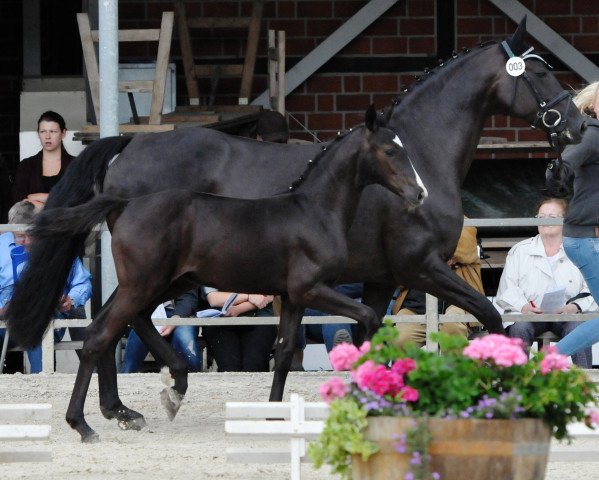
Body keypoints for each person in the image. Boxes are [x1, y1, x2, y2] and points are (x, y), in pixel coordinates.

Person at [495, 198, 597, 368]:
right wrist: (524, 307)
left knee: (578, 329)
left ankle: (585, 386)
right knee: (519, 329)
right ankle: (516, 386)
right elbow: (508, 288)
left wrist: (575, 307)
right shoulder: (520, 250)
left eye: (551, 216)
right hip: (530, 313)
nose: (545, 221)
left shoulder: (579, 249)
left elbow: (592, 288)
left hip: (568, 314)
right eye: (541, 216)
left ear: (565, 220)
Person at [539, 82, 599, 362]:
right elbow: (565, 166)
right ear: (594, 106)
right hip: (588, 239)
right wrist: (557, 173)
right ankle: (551, 359)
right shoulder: (592, 136)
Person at [0, 200, 92, 373]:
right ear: (11, 228)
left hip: (45, 322)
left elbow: (83, 282)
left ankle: (43, 386)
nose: (26, 242)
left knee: (38, 329)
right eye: (20, 235)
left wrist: (70, 299)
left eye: (32, 234)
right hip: (6, 324)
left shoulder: (58, 245)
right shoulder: (0, 246)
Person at [392, 222, 484, 348]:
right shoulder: (411, 217)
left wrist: (427, 257)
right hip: (416, 304)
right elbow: (402, 252)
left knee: (452, 326)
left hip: (459, 302)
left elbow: (465, 246)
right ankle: (412, 368)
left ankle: (454, 368)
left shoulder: (462, 220)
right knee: (401, 338)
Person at [121, 289, 205, 373]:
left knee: (184, 339)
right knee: (138, 334)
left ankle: (195, 379)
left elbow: (189, 298)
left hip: (181, 314)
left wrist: (174, 320)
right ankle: (125, 378)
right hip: (148, 314)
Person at [201, 287, 277, 372]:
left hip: (259, 319)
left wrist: (239, 309)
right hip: (221, 321)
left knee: (254, 367)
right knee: (229, 369)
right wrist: (248, 296)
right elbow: (214, 299)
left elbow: (268, 297)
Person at [13, 111, 75, 208]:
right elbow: (19, 201)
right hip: (31, 222)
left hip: (68, 222)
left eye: (53, 131)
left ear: (63, 133)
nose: (47, 136)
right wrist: (58, 201)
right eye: (43, 131)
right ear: (38, 134)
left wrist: (38, 197)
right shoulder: (26, 166)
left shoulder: (76, 165)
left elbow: (79, 200)